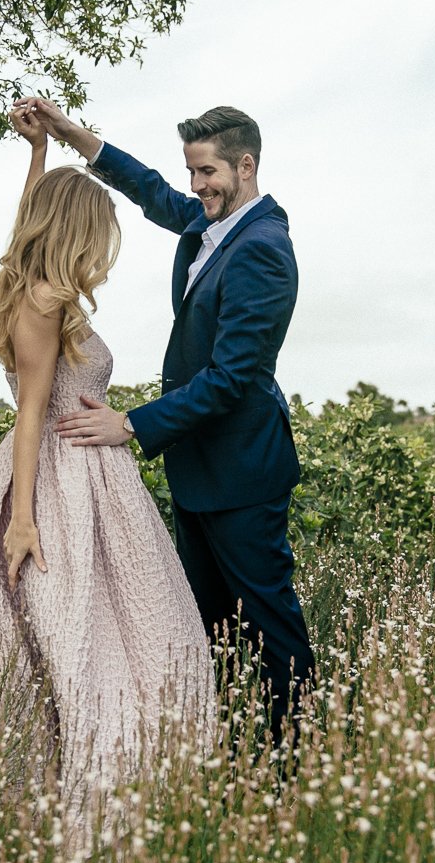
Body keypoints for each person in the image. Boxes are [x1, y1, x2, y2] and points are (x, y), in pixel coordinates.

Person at [17, 97, 315, 751]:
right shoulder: (212, 223)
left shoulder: (263, 249)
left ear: (245, 165)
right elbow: (150, 191)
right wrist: (70, 136)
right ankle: (217, 751)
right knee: (198, 626)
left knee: (269, 623)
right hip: (196, 469)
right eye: (191, 173)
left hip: (241, 468)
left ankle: (298, 761)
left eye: (207, 172)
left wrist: (132, 424)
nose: (196, 186)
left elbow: (234, 377)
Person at [0, 105, 215, 863]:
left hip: (98, 486)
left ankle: (151, 804)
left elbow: (26, 227)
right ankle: (91, 828)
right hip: (58, 485)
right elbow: (31, 410)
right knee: (84, 654)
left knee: (156, 636)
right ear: (77, 232)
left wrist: (40, 150)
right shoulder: (41, 304)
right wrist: (22, 518)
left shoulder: (35, 279)